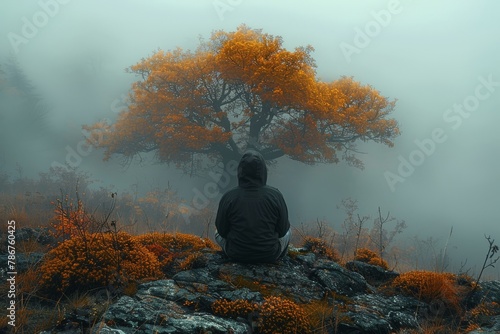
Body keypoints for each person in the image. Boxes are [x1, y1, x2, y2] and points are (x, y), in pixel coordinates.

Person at [214, 149, 291, 263]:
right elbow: (283, 229)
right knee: (289, 230)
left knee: (215, 232)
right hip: (269, 254)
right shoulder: (275, 195)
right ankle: (280, 258)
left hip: (235, 253)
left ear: (240, 170)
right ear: (263, 171)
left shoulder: (229, 196)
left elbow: (221, 230)